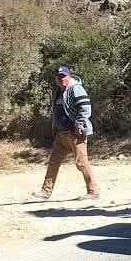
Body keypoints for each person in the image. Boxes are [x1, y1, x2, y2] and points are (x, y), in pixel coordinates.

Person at [37, 64, 100, 201]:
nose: (61, 79)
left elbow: (85, 108)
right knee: (53, 162)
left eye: (63, 76)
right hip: (61, 135)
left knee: (81, 163)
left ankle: (93, 191)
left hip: (75, 134)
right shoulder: (58, 91)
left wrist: (79, 124)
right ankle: (45, 192)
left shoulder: (76, 89)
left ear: (69, 76)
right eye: (58, 77)